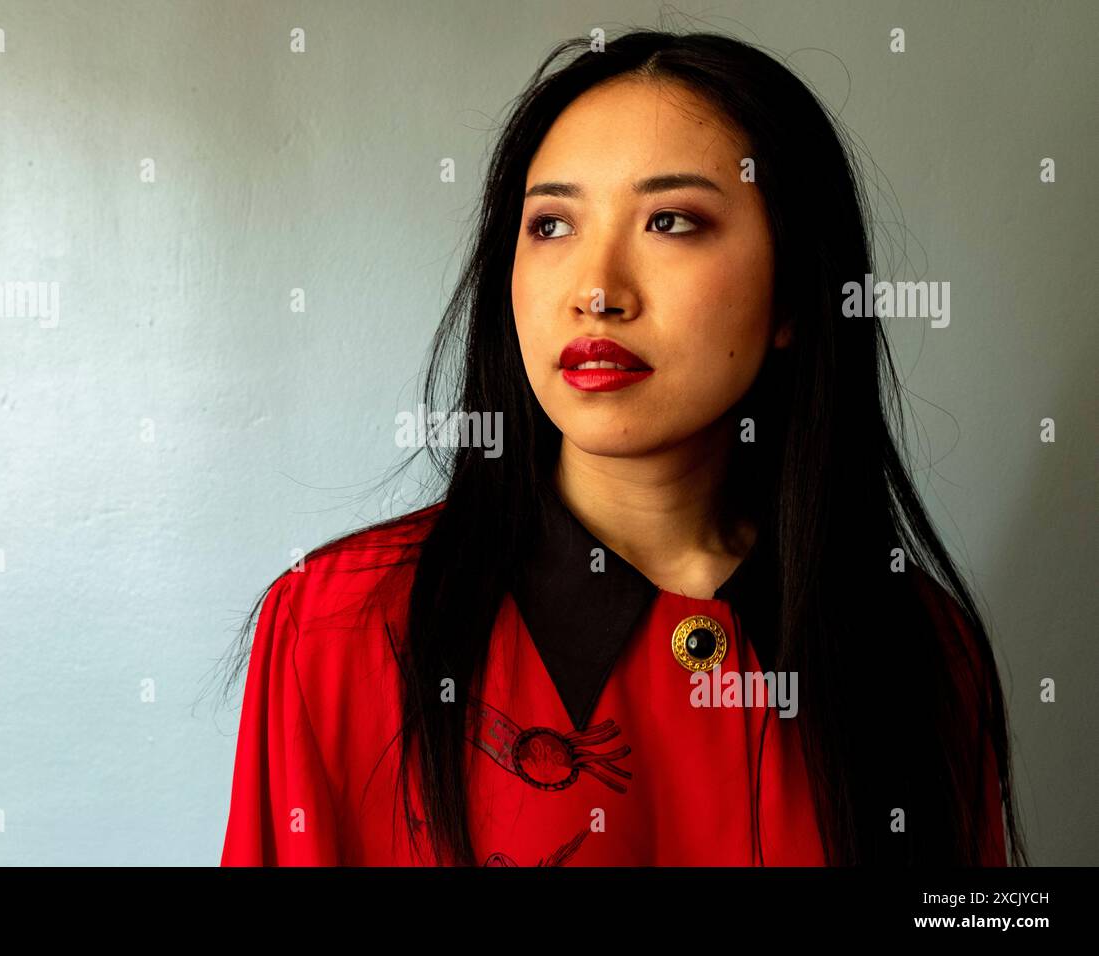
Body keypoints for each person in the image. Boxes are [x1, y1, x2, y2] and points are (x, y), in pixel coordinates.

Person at [213, 29, 1024, 866]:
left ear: (793, 296)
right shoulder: (337, 631)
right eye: (552, 224)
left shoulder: (917, 646)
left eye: (671, 221)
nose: (596, 290)